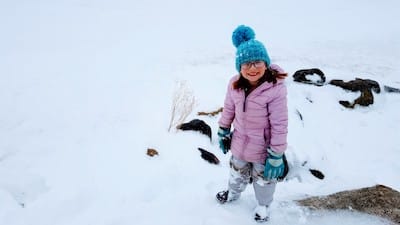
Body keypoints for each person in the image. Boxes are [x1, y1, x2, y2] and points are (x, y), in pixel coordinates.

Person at [216, 25, 288, 222]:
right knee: (236, 171)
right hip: (239, 142)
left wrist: (277, 153)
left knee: (264, 180)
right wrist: (223, 130)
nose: (252, 68)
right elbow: (229, 109)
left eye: (257, 62)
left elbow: (280, 123)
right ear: (239, 67)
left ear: (266, 63)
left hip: (264, 149)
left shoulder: (275, 89)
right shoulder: (234, 84)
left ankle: (264, 205)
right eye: (246, 64)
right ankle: (233, 193)